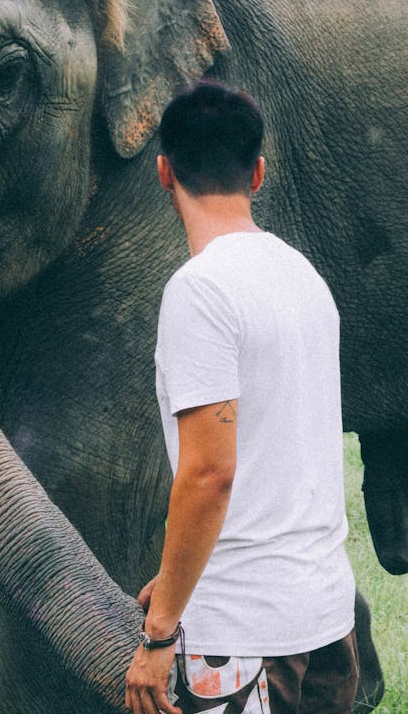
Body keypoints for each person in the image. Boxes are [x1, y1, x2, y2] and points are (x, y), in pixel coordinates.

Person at [125, 81, 358, 714]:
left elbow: (209, 475)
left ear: (163, 171)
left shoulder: (199, 291)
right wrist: (178, 579)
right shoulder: (301, 276)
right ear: (257, 173)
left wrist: (161, 631)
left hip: (246, 641)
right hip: (328, 621)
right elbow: (277, 450)